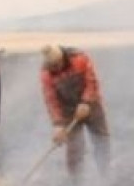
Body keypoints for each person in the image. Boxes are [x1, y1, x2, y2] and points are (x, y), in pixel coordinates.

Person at [40, 44, 111, 178]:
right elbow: (51, 99)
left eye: (57, 64)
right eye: (52, 66)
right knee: (74, 149)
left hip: (92, 105)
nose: (56, 68)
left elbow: (91, 81)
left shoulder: (79, 58)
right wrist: (58, 124)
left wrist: (86, 102)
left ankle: (105, 173)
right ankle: (75, 182)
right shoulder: (46, 74)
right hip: (68, 111)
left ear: (62, 58)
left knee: (101, 139)